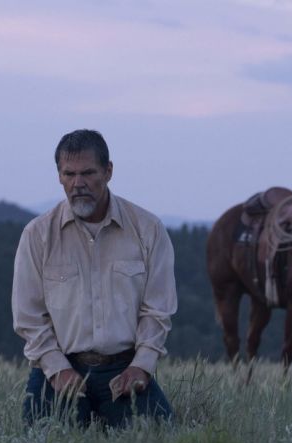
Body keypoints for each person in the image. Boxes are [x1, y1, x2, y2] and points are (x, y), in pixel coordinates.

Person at [12, 129, 177, 427]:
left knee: (160, 441)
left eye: (88, 173)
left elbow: (158, 310)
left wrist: (142, 366)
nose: (78, 184)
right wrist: (56, 368)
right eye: (69, 174)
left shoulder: (147, 229)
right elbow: (28, 317)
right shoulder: (37, 235)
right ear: (59, 176)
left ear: (108, 171)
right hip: (60, 369)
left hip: (124, 368)